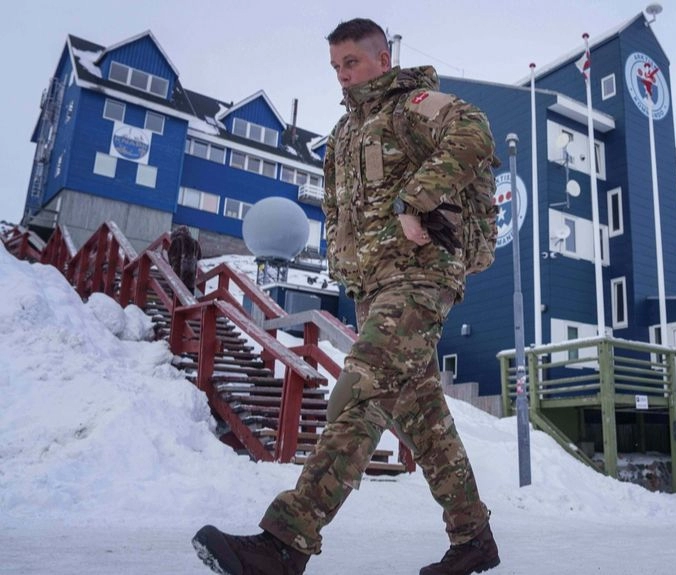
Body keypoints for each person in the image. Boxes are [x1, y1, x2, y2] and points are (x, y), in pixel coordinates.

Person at [192, 18, 500, 575]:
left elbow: (475, 131)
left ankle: (286, 541)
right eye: (335, 66)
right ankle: (473, 538)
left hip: (419, 277)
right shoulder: (344, 133)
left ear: (383, 59)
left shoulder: (413, 105)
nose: (342, 75)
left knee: (358, 393)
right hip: (373, 286)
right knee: (425, 421)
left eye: (351, 63)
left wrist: (415, 200)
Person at [167, 225, 201, 293]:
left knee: (175, 294)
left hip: (177, 275)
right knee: (188, 297)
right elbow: (199, 256)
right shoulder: (195, 243)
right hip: (190, 277)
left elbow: (170, 254)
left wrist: (172, 263)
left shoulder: (176, 241)